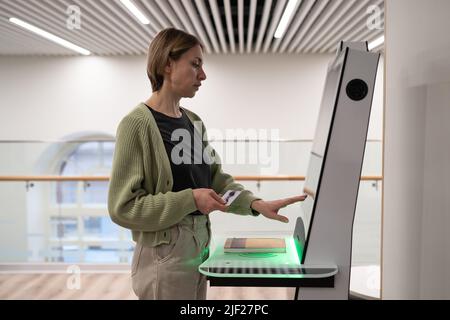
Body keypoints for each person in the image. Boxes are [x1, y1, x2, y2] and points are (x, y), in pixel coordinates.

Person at [107, 28, 307, 300]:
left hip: (199, 248)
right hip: (164, 259)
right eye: (195, 64)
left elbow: (215, 181)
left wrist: (254, 203)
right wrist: (190, 199)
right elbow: (123, 208)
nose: (203, 75)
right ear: (167, 64)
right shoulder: (136, 125)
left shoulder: (192, 120)